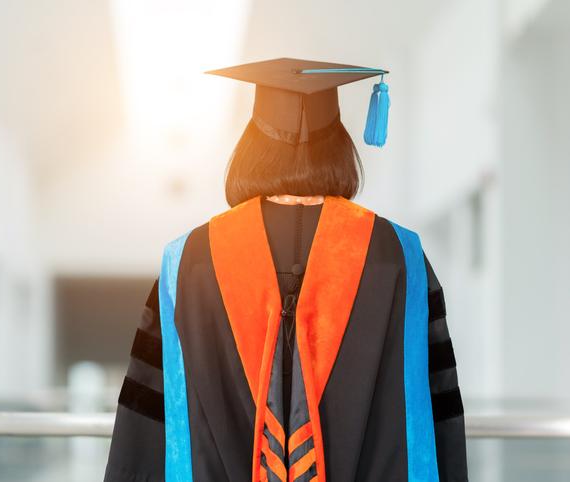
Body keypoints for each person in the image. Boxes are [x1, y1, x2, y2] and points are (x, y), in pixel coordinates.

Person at [103, 58, 468, 482]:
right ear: (341, 144)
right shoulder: (398, 255)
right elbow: (434, 409)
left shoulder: (188, 261)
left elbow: (146, 426)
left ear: (251, 146)